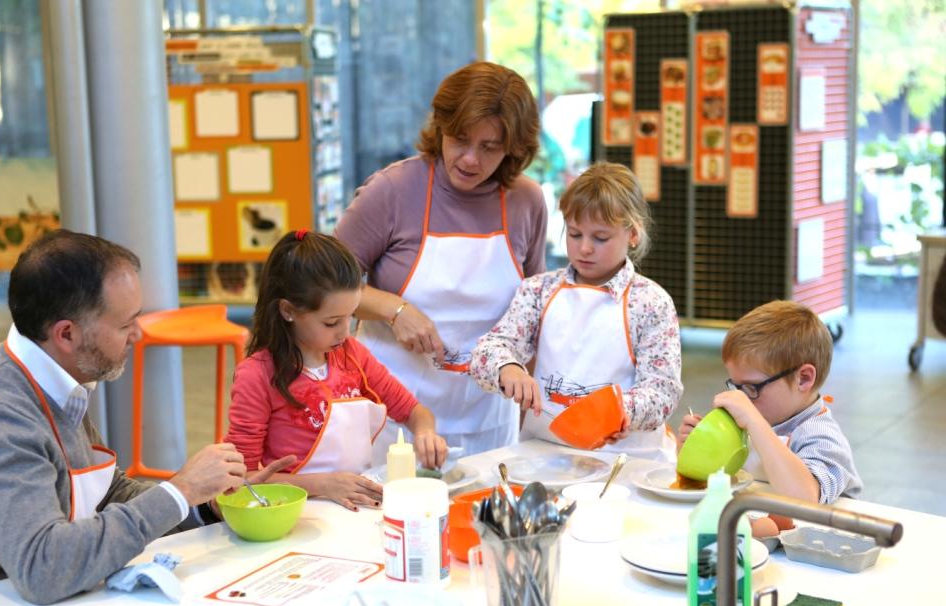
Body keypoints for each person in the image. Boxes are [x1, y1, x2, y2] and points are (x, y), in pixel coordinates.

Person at [0, 230, 294, 604]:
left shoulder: (55, 379)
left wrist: (203, 500)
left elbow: (106, 495)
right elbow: (43, 568)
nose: (138, 333)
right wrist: (179, 492)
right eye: (124, 324)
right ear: (66, 334)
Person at [335, 61, 547, 458]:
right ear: (441, 126)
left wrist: (533, 422)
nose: (469, 159)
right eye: (460, 139)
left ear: (515, 148)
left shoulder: (527, 202)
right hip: (392, 415)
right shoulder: (393, 191)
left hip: (488, 418)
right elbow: (321, 285)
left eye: (489, 148)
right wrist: (393, 309)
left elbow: (532, 316)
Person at [470, 162, 682, 460]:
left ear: (632, 234)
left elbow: (663, 391)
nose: (584, 248)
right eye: (574, 234)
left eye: (600, 238)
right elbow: (486, 352)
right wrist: (507, 367)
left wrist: (620, 411)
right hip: (546, 452)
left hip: (624, 458)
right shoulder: (538, 291)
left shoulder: (651, 302)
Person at [226, 231, 448, 511]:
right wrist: (321, 485)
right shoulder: (257, 376)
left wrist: (425, 432)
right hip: (293, 515)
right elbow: (240, 481)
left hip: (355, 508)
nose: (345, 332)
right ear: (288, 311)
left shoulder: (353, 356)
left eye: (350, 317)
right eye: (331, 323)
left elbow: (413, 411)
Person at [677, 300, 863, 521]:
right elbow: (719, 482)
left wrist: (755, 423)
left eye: (752, 387)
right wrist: (694, 450)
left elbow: (804, 500)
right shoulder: (758, 418)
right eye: (737, 387)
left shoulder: (820, 435)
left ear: (803, 379)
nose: (743, 398)